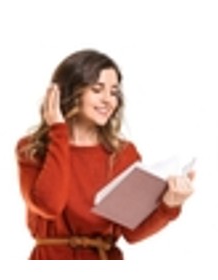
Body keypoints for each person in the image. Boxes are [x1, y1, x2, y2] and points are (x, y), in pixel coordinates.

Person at [16, 49, 197, 260]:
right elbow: (49, 205)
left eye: (114, 92)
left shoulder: (123, 153)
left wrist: (169, 206)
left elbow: (132, 233)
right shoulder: (32, 149)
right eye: (97, 89)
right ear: (69, 93)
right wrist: (58, 130)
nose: (108, 100)